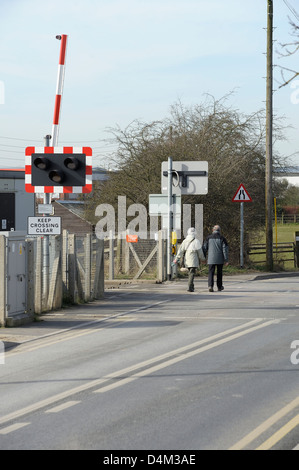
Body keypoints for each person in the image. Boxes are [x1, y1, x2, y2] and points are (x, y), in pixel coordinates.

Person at [174, 227, 205, 292]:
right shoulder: (196, 241)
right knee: (192, 273)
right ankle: (190, 286)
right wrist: (203, 259)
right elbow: (200, 252)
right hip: (193, 259)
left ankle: (191, 286)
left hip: (187, 259)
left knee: (190, 273)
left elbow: (180, 251)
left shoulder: (185, 241)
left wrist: (177, 258)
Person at [202, 225, 229, 292]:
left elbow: (204, 248)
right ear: (219, 231)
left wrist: (203, 258)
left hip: (211, 258)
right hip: (220, 259)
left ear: (213, 230)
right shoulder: (222, 238)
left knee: (211, 272)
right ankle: (219, 287)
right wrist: (226, 259)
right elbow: (225, 250)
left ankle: (210, 286)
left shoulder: (208, 238)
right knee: (219, 273)